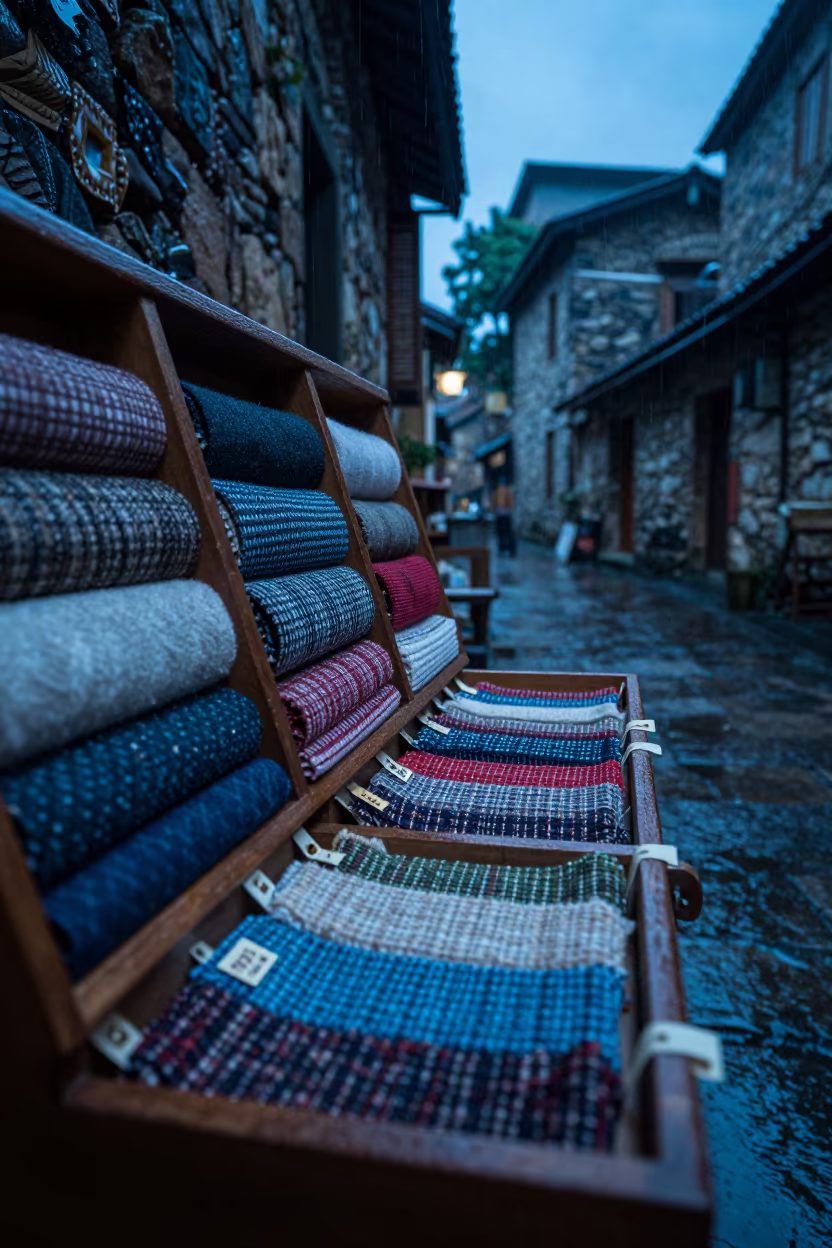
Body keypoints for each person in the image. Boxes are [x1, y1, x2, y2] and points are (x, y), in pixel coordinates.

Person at [493, 482, 516, 556]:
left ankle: (505, 549)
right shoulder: (503, 492)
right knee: (503, 533)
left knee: (504, 533)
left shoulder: (505, 492)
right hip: (503, 514)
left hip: (503, 514)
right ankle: (503, 549)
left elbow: (509, 503)